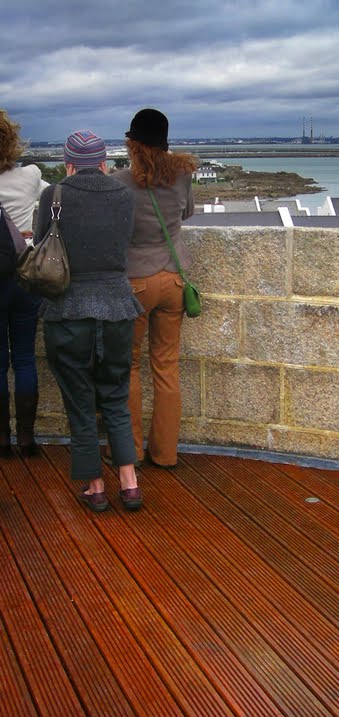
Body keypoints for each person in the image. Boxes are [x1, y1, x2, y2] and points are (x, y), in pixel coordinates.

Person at [35, 130, 143, 510]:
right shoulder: (124, 196)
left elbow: (41, 244)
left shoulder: (54, 195)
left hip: (67, 311)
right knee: (115, 395)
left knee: (80, 400)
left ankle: (96, 486)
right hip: (117, 308)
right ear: (102, 163)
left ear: (67, 164)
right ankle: (129, 483)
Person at [116, 108, 196, 467]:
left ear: (132, 144)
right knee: (166, 366)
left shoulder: (120, 183)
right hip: (175, 279)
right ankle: (165, 454)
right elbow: (187, 213)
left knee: (128, 366)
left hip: (136, 283)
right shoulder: (181, 176)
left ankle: (129, 450)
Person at [0, 109, 48, 456]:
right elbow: (51, 194)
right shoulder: (30, 175)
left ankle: (2, 439)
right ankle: (27, 439)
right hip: (24, 274)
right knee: (25, 358)